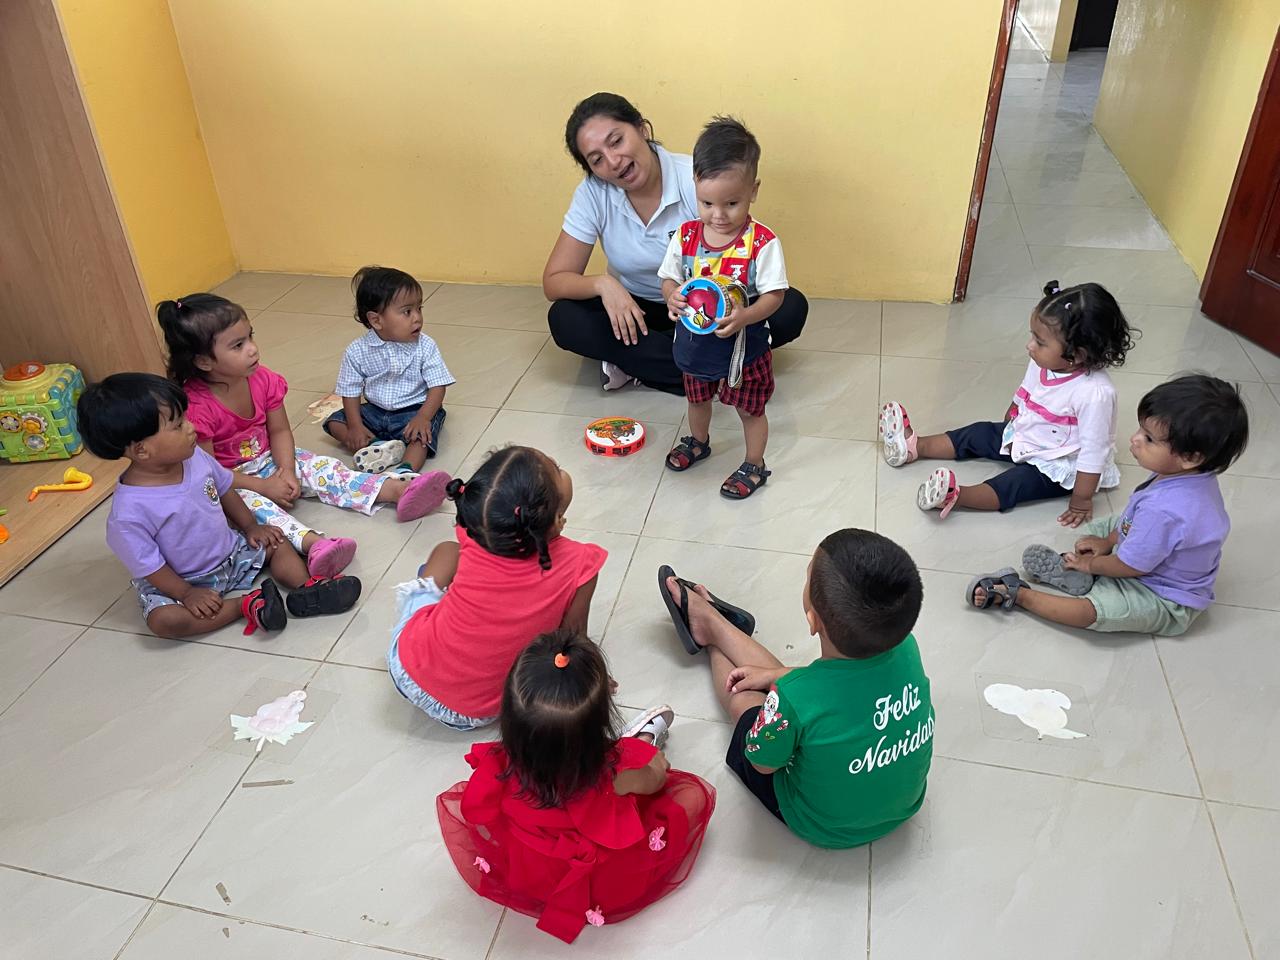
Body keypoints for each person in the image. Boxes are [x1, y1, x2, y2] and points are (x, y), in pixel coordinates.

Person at [659, 528, 933, 848]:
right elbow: (836, 685)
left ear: (813, 620)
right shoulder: (907, 648)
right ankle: (717, 624)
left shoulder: (794, 696)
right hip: (903, 807)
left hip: (822, 824)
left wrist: (773, 702)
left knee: (745, 699)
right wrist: (778, 677)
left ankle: (709, 634)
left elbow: (762, 763)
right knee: (795, 690)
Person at [436, 630, 715, 943]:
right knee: (687, 796)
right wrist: (650, 761)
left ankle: (638, 741)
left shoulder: (499, 767)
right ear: (602, 721)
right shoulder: (611, 776)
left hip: (533, 873)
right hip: (602, 882)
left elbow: (477, 810)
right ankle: (644, 738)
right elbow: (658, 779)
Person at [543, 92, 808, 394]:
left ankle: (649, 366)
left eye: (616, 141)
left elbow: (739, 250)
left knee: (789, 308)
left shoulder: (695, 178)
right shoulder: (593, 194)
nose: (613, 162)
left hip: (703, 306)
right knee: (565, 318)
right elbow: (554, 281)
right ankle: (713, 371)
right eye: (597, 159)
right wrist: (604, 285)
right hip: (637, 310)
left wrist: (729, 309)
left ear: (642, 129)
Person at [77, 374, 361, 639]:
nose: (191, 428)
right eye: (178, 425)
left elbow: (225, 489)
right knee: (165, 621)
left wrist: (251, 526)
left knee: (276, 540)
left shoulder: (195, 459)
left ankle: (307, 590)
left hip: (231, 552)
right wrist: (186, 593)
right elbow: (149, 566)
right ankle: (245, 605)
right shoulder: (128, 513)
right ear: (142, 449)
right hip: (182, 579)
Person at [967, 374, 1249, 636]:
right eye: (1141, 429)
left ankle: (1021, 595)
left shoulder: (1165, 510)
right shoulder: (1189, 476)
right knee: (1106, 527)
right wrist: (1109, 541)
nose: (1134, 439)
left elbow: (1132, 565)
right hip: (1149, 548)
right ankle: (1091, 571)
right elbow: (1132, 520)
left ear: (1191, 457)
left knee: (1091, 613)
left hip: (1162, 594)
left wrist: (1092, 563)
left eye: (1149, 439)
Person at [158, 294, 450, 536]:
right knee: (254, 511)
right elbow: (209, 473)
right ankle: (312, 545)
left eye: (250, 337)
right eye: (238, 345)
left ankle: (396, 490)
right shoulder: (196, 408)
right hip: (232, 481)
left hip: (271, 458)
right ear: (204, 362)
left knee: (327, 469)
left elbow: (280, 431)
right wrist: (263, 486)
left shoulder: (263, 379)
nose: (253, 349)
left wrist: (286, 469)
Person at [879, 281, 1135, 526]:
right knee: (979, 432)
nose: (1030, 346)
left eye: (1040, 342)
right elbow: (1027, 389)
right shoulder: (1044, 360)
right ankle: (914, 446)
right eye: (1032, 336)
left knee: (1014, 484)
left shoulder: (1095, 393)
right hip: (1026, 432)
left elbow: (1093, 451)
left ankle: (955, 496)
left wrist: (1081, 499)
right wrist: (1013, 412)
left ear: (1077, 354)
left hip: (1058, 461)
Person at [387, 446, 607, 730]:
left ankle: (430, 594)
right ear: (555, 521)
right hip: (478, 711)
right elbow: (572, 639)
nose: (559, 467)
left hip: (407, 669)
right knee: (452, 552)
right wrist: (590, 679)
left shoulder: (474, 531)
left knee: (447, 550)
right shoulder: (581, 565)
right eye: (555, 469)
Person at [659, 116, 787, 499]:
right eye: (707, 203)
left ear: (753, 191)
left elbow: (775, 295)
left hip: (744, 352)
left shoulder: (762, 243)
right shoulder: (685, 236)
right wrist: (671, 295)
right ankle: (699, 441)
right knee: (697, 399)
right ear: (695, 187)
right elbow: (668, 278)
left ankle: (755, 464)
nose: (718, 214)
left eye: (732, 203)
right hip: (697, 347)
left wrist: (746, 315)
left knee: (750, 410)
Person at [322, 265, 454, 474]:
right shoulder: (357, 350)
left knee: (421, 438)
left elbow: (438, 386)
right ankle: (376, 447)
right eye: (407, 312)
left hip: (413, 410)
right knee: (335, 422)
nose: (417, 317)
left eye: (419, 308)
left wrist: (423, 417)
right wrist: (355, 426)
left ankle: (404, 471)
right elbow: (350, 391)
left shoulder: (426, 345)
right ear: (376, 320)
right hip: (374, 411)